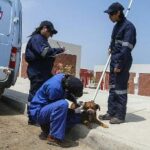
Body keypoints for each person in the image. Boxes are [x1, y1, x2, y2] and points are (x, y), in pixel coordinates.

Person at [99, 2, 136, 124]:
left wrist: (119, 65)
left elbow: (126, 48)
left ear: (118, 13)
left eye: (111, 14)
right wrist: (110, 47)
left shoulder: (128, 27)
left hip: (122, 61)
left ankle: (120, 116)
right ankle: (111, 112)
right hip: (114, 59)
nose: (109, 17)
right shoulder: (116, 26)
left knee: (120, 89)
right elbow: (113, 41)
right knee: (112, 88)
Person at [25, 20, 65, 124]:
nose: (50, 35)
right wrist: (57, 50)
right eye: (50, 32)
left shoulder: (42, 39)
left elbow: (46, 52)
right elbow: (44, 52)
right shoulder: (37, 38)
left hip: (43, 72)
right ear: (44, 28)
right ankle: (32, 118)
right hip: (38, 72)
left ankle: (40, 115)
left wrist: (57, 51)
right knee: (35, 94)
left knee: (45, 93)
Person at [29, 73, 83, 147]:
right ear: (68, 88)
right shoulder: (55, 88)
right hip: (38, 112)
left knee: (75, 115)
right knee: (63, 104)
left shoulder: (64, 78)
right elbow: (57, 107)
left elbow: (67, 95)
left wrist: (75, 104)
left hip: (46, 109)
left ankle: (47, 129)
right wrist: (72, 107)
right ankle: (54, 137)